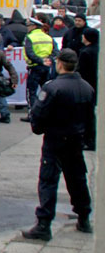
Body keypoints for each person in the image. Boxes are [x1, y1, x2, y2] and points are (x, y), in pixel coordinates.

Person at [21, 49, 94, 241]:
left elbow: (39, 114)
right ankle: (84, 217)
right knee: (77, 178)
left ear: (59, 63)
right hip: (75, 139)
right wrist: (88, 139)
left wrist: (38, 128)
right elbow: (90, 118)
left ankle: (44, 224)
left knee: (48, 180)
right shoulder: (86, 87)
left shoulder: (52, 88)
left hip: (55, 138)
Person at [22, 17, 58, 122]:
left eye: (29, 26)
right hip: (47, 67)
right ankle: (46, 113)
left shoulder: (30, 37)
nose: (27, 28)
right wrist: (48, 60)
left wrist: (40, 61)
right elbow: (56, 52)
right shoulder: (48, 37)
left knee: (31, 92)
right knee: (46, 91)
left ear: (34, 26)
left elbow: (29, 53)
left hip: (34, 67)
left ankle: (32, 115)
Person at [76, 27, 98, 151]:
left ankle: (89, 140)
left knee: (87, 115)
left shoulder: (85, 52)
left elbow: (82, 71)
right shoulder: (97, 49)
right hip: (95, 85)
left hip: (87, 86)